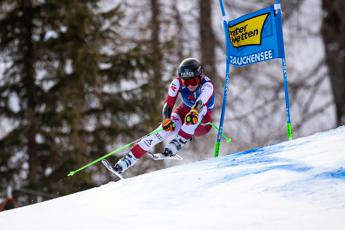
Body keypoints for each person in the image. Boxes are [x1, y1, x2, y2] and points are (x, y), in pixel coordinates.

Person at [111, 57, 215, 175]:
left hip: (203, 122)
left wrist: (194, 112)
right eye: (186, 81)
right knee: (164, 130)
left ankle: (178, 142)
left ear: (200, 77)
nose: (190, 85)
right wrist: (166, 119)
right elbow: (169, 102)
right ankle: (128, 160)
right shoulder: (177, 83)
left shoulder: (207, 86)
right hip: (184, 111)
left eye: (193, 81)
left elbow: (200, 102)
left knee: (197, 112)